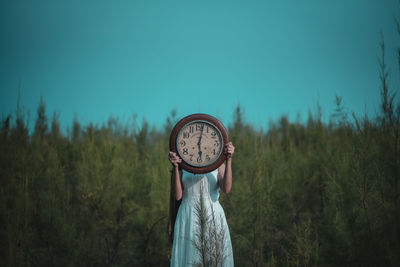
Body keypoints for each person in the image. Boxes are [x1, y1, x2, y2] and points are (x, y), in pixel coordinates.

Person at [168, 142, 235, 266]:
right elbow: (177, 195)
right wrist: (176, 167)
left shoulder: (217, 161)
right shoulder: (183, 159)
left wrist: (229, 159)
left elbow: (226, 188)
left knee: (214, 256)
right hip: (188, 216)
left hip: (212, 214)